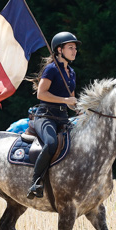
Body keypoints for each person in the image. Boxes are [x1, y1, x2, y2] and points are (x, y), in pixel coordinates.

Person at [27, 32, 80, 199]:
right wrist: (65, 99)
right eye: (70, 47)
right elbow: (41, 94)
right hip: (45, 117)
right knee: (51, 143)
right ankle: (35, 182)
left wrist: (79, 108)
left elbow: (71, 101)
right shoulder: (51, 69)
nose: (74, 51)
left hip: (63, 118)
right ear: (59, 49)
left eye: (75, 48)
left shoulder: (71, 72)